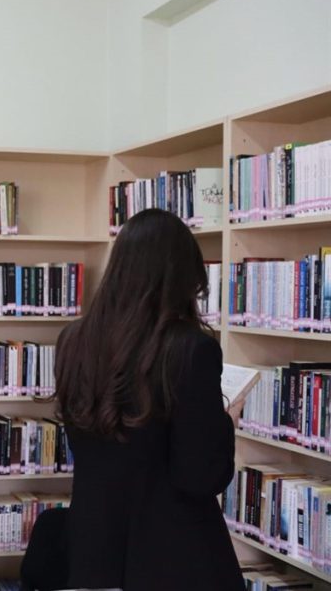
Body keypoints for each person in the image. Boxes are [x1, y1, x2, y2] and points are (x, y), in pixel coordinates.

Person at [41, 208, 240, 591]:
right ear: (182, 277)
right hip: (172, 556)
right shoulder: (192, 350)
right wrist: (224, 425)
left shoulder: (73, 340)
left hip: (93, 550)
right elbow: (199, 476)